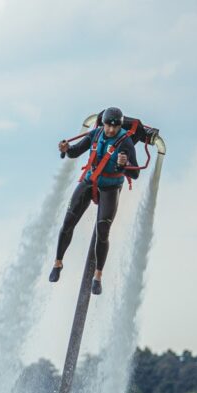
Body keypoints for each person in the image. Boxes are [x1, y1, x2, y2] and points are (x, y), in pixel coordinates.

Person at [50, 106, 140, 295]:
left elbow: (136, 173)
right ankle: (58, 263)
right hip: (90, 181)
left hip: (110, 187)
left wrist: (123, 166)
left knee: (103, 230)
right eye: (108, 125)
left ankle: (98, 276)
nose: (110, 130)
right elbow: (75, 152)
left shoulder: (125, 143)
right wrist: (66, 149)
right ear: (104, 123)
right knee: (68, 221)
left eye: (115, 127)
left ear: (119, 126)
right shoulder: (96, 134)